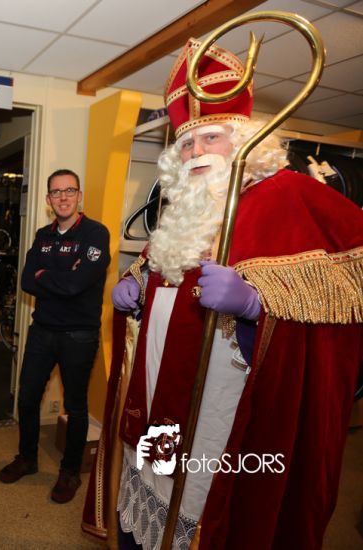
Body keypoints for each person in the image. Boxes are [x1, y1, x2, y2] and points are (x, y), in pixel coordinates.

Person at [82, 38, 363, 550]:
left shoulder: (288, 195)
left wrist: (256, 306)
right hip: (160, 388)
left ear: (245, 141)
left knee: (206, 498)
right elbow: (162, 282)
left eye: (209, 137)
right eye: (186, 144)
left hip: (223, 400)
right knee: (153, 483)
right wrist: (136, 288)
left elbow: (338, 300)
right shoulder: (184, 209)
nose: (195, 153)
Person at [0, 168, 110, 504]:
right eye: (56, 192)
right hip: (42, 331)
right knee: (27, 399)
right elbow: (26, 281)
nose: (63, 197)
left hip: (79, 335)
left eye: (69, 190)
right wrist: (59, 275)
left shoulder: (95, 233)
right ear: (48, 199)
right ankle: (27, 458)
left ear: (79, 196)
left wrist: (45, 275)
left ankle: (70, 471)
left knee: (75, 407)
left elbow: (77, 284)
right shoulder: (42, 235)